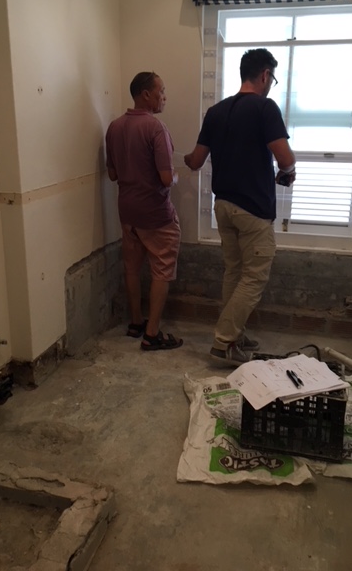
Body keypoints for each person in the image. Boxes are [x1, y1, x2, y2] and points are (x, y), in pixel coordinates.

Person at [184, 48, 296, 367]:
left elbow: (195, 161)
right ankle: (224, 341)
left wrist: (183, 158)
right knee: (254, 277)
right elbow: (285, 158)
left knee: (234, 271)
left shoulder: (216, 111)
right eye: (273, 79)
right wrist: (289, 170)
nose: (271, 84)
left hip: (223, 206)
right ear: (265, 75)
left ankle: (235, 335)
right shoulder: (265, 108)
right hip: (253, 211)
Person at [106, 71, 183, 351]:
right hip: (155, 213)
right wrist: (176, 177)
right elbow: (166, 178)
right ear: (146, 94)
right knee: (162, 269)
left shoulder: (114, 127)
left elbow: (113, 174)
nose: (165, 97)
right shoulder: (156, 128)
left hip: (128, 212)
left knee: (132, 268)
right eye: (161, 91)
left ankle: (136, 323)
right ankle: (152, 335)